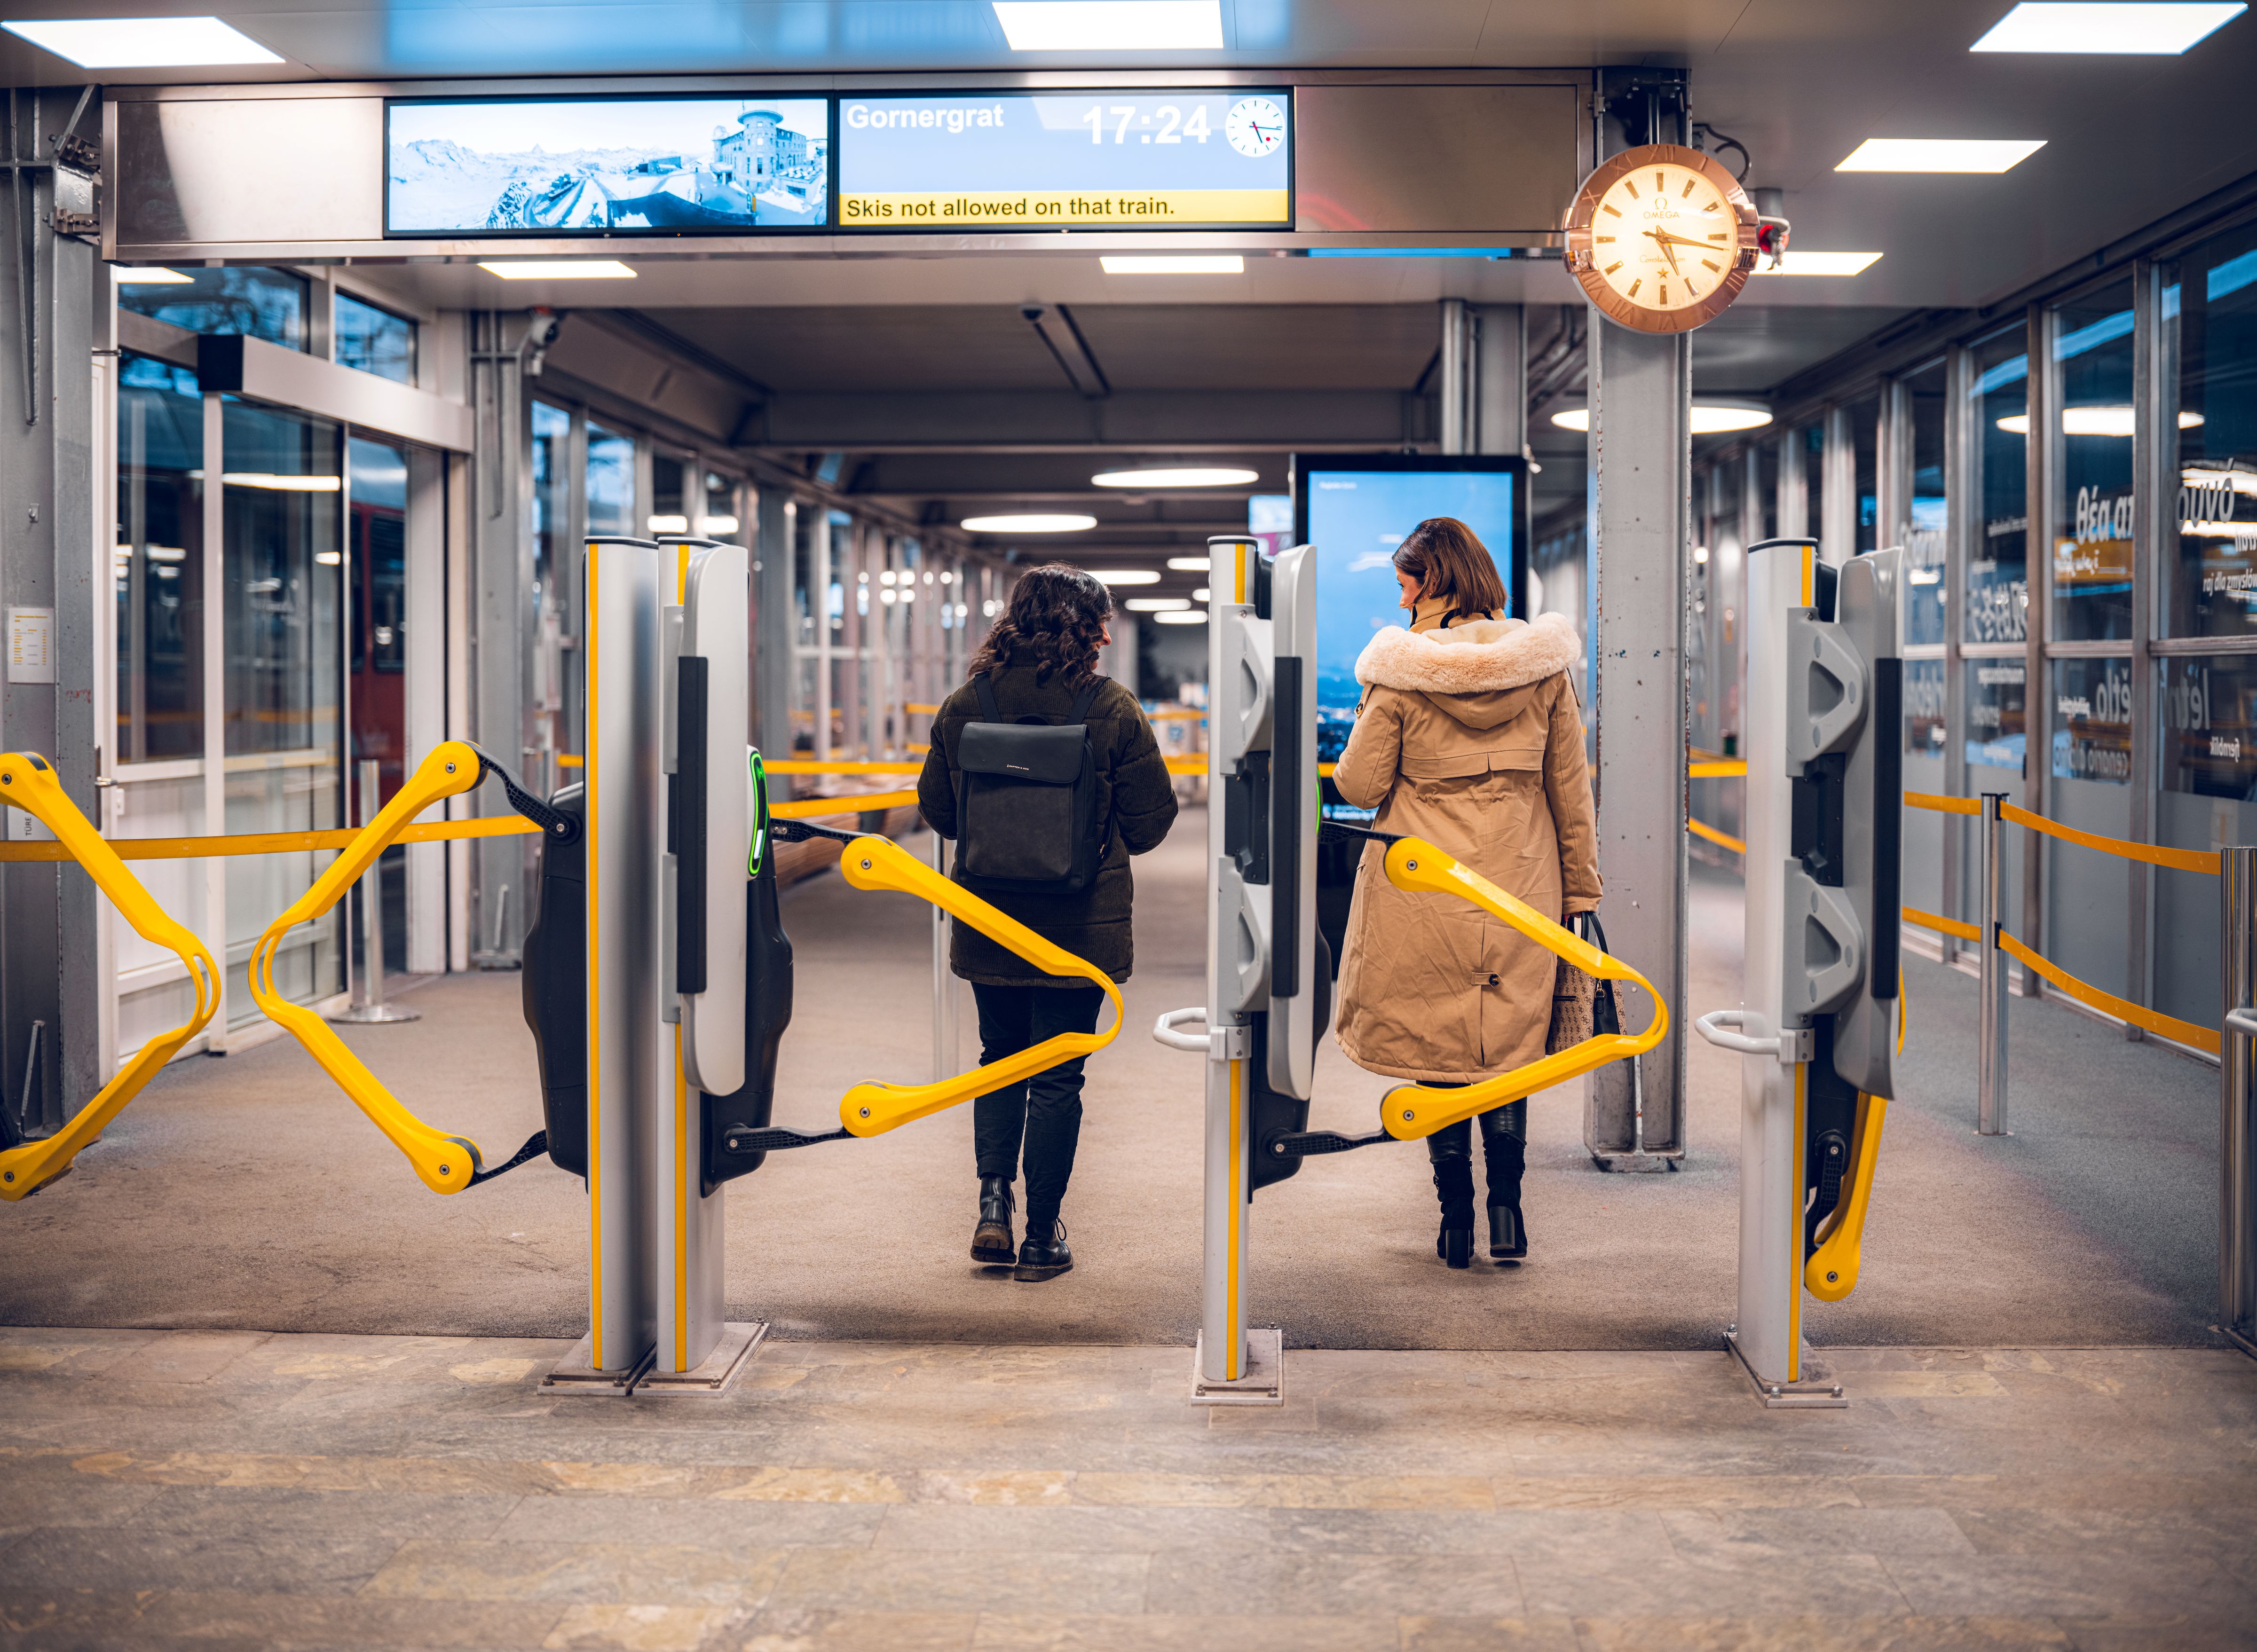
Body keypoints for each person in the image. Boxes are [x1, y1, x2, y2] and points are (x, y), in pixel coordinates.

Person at [1328, 517, 1600, 1269]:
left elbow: (1359, 783)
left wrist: (1369, 714)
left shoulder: (1400, 671)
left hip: (1425, 886)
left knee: (1438, 1046)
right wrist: (1580, 894)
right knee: (1504, 1047)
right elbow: (1571, 793)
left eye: (1405, 582)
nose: (1401, 597)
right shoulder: (1544, 669)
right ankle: (1506, 1211)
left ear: (1433, 582)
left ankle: (1454, 1221)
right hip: (1522, 883)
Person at [917, 564, 1178, 1282]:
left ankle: (992, 1204)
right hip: (1079, 926)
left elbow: (939, 813)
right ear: (1091, 629)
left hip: (988, 917)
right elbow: (1152, 824)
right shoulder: (1113, 707)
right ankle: (1041, 1237)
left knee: (1000, 1058)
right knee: (1058, 1075)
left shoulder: (969, 702)